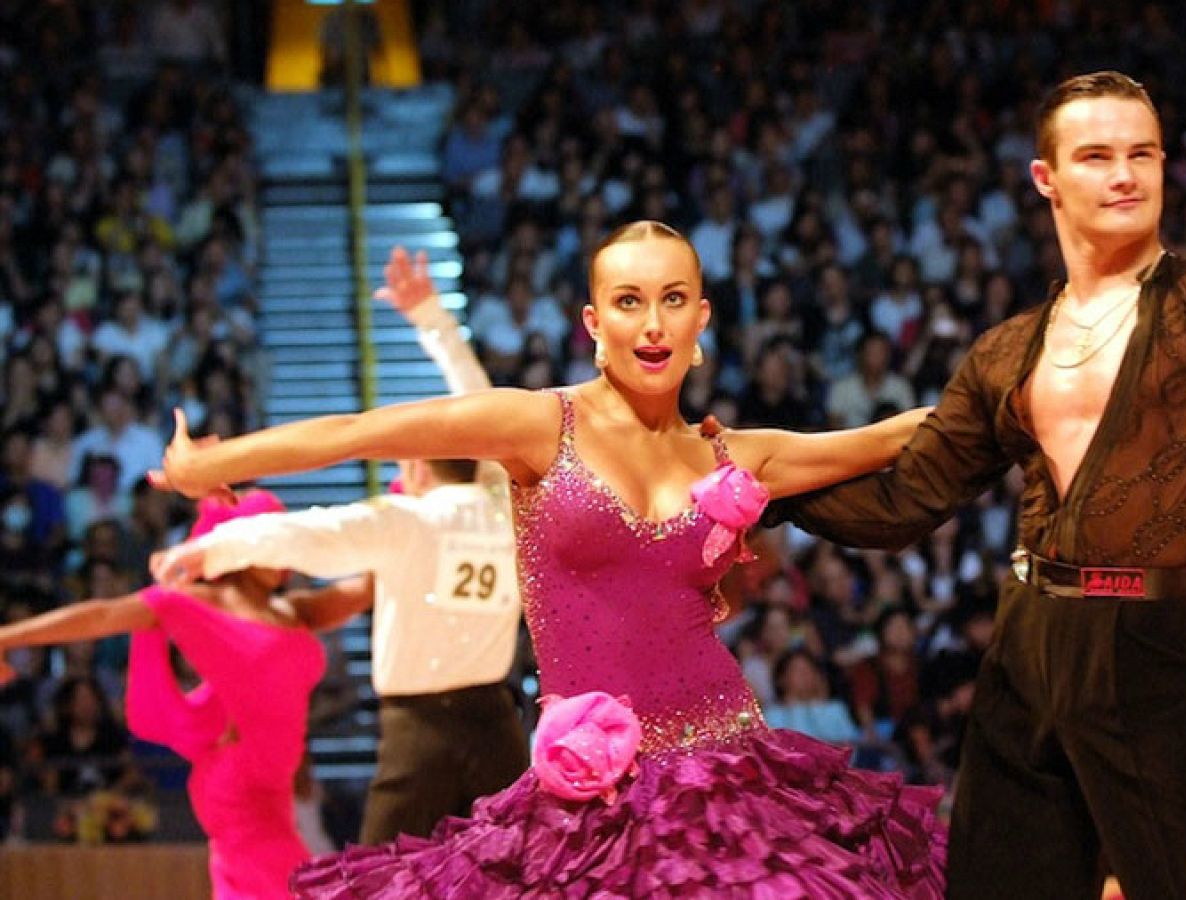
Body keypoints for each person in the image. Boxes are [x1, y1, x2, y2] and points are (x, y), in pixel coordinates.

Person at [762, 71, 1186, 898]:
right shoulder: (1006, 349)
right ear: (1046, 179)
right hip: (1025, 644)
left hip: (1150, 643)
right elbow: (897, 507)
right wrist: (749, 489)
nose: (1126, 175)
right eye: (1096, 155)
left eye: (1143, 154)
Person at [150, 221, 946, 897]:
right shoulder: (539, 426)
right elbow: (361, 431)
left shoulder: (734, 454)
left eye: (673, 300)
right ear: (593, 322)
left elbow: (893, 436)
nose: (653, 325)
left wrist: (1046, 383)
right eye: (629, 303)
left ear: (703, 316)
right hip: (592, 789)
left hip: (728, 767)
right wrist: (212, 467)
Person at [153, 249, 529, 845]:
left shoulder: (408, 520)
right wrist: (432, 316)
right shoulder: (507, 507)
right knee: (529, 869)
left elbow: (312, 533)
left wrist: (213, 549)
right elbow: (482, 408)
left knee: (379, 881)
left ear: (418, 464)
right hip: (496, 719)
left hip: (419, 729)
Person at [0, 491, 326, 900]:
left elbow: (363, 590)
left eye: (285, 544)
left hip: (274, 786)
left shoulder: (291, 611)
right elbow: (101, 615)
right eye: (269, 544)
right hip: (239, 783)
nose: (281, 558)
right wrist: (8, 638)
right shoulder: (200, 603)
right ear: (240, 549)